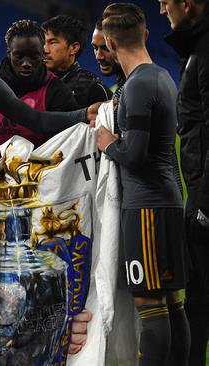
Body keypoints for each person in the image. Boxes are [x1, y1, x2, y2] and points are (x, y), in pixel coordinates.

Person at [96, 3, 190, 365]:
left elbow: (133, 153)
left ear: (109, 41)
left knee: (149, 306)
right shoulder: (163, 76)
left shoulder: (137, 85)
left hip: (146, 209)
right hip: (167, 201)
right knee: (170, 302)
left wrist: (106, 141)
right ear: (145, 34)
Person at [161, 0, 209, 364]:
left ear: (188, 4)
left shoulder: (205, 51)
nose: (162, 10)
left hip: (205, 197)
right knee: (196, 295)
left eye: (165, 2)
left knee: (199, 296)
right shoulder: (195, 49)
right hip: (198, 189)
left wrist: (204, 203)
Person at [0, 19, 78, 155]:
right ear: (9, 53)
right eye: (19, 56)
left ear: (42, 54)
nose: (26, 63)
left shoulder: (58, 92)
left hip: (37, 174)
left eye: (33, 56)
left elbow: (65, 149)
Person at [42, 15, 112, 107]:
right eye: (43, 42)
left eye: (52, 42)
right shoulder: (32, 81)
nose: (45, 50)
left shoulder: (93, 88)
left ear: (74, 48)